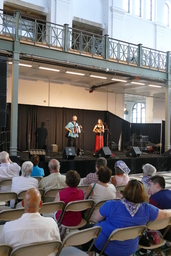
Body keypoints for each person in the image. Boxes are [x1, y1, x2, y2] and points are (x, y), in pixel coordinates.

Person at [82, 179, 171, 256]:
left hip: (107, 247)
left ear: (126, 190)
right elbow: (164, 214)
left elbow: (97, 218)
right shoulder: (147, 209)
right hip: (130, 248)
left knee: (87, 232)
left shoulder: (112, 205)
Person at [0, 188, 60, 253]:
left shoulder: (8, 228)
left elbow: (3, 251)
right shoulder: (52, 224)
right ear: (41, 204)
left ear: (22, 204)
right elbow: (56, 247)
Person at [148, 175, 171, 241]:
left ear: (157, 185)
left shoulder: (155, 198)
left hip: (167, 232)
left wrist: (150, 199)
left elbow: (150, 217)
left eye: (150, 185)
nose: (149, 188)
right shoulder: (169, 192)